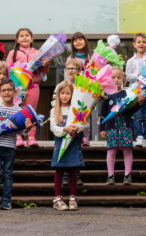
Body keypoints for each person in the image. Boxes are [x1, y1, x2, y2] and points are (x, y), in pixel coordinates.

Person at [0, 78, 34, 210]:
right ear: (0, 92)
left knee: (8, 173)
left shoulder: (18, 110)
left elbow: (21, 131)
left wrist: (27, 129)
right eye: (3, 90)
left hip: (10, 146)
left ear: (15, 92)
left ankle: (6, 201)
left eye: (9, 90)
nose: (6, 93)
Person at [100, 67, 144, 185]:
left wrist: (139, 104)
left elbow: (131, 110)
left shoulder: (127, 94)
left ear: (124, 81)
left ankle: (127, 175)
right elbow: (103, 113)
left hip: (125, 126)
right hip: (111, 128)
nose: (116, 80)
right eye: (113, 77)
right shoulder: (106, 95)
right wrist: (101, 128)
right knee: (111, 150)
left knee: (127, 150)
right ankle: (110, 176)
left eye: (119, 77)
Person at [6, 28, 49, 147]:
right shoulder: (12, 53)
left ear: (32, 38)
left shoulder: (38, 53)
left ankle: (31, 137)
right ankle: (18, 136)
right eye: (21, 36)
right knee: (17, 110)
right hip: (17, 86)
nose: (24, 37)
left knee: (31, 111)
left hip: (33, 85)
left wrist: (46, 65)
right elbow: (8, 68)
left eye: (27, 35)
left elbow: (43, 71)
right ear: (17, 40)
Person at [50, 81, 84, 211]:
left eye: (67, 93)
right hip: (60, 143)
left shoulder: (76, 109)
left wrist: (77, 127)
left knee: (72, 170)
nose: (64, 96)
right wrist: (64, 129)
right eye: (62, 93)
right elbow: (53, 127)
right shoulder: (54, 110)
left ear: (72, 95)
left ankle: (72, 197)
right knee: (59, 171)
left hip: (73, 143)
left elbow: (84, 125)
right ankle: (57, 198)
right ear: (58, 94)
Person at [125, 33, 146, 147]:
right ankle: (139, 136)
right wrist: (138, 76)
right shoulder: (130, 61)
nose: (141, 44)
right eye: (139, 42)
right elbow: (127, 76)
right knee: (138, 114)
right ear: (134, 45)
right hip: (136, 91)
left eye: (144, 42)